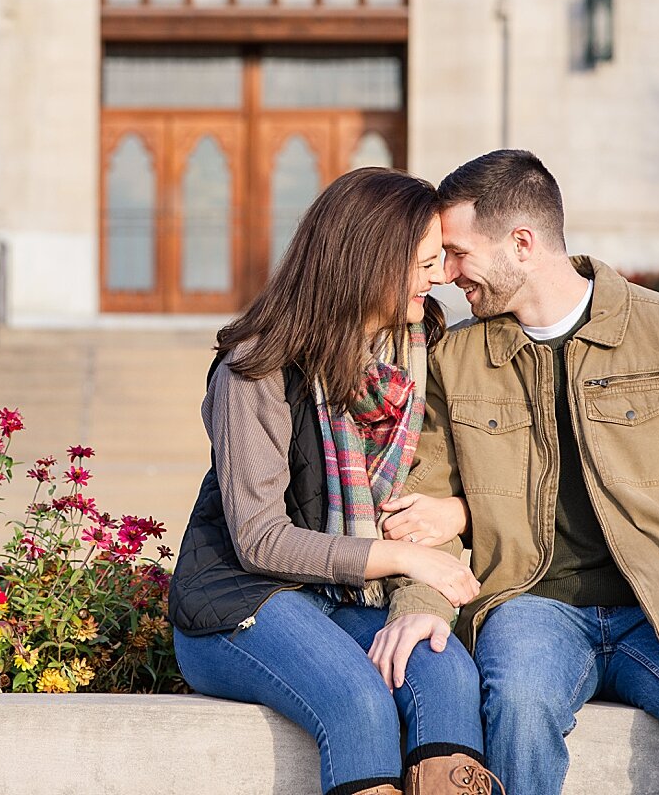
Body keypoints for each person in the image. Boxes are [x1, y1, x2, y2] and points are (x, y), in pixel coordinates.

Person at [412, 149, 659, 795]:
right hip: (530, 605)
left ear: (521, 243)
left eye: (458, 252)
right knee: (518, 708)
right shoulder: (454, 358)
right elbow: (425, 499)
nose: (445, 273)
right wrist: (422, 606)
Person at [167, 167, 503, 795]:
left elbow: (455, 476)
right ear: (369, 260)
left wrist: (450, 516)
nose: (441, 279)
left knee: (444, 670)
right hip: (240, 601)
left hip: (346, 600)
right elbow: (260, 540)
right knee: (358, 700)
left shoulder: (413, 352)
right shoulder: (256, 370)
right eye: (425, 263)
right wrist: (406, 557)